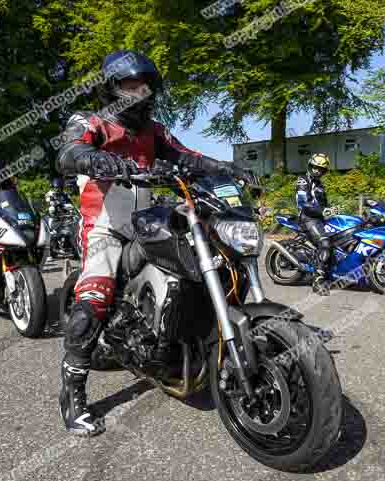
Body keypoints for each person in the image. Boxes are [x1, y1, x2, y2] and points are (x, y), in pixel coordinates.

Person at [54, 49, 250, 436]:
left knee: (208, 254)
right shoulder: (91, 121)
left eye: (144, 86)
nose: (138, 92)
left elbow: (185, 156)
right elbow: (69, 151)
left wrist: (226, 168)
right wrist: (96, 160)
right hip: (104, 227)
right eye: (129, 85)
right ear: (111, 89)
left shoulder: (154, 131)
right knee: (95, 297)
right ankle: (72, 391)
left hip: (146, 219)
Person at [296, 153, 334, 296]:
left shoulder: (320, 185)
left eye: (321, 169)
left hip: (319, 218)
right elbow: (305, 204)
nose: (317, 171)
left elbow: (324, 204)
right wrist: (324, 211)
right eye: (315, 167)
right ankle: (317, 282)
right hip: (307, 218)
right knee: (325, 243)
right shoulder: (303, 181)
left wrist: (333, 210)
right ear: (310, 166)